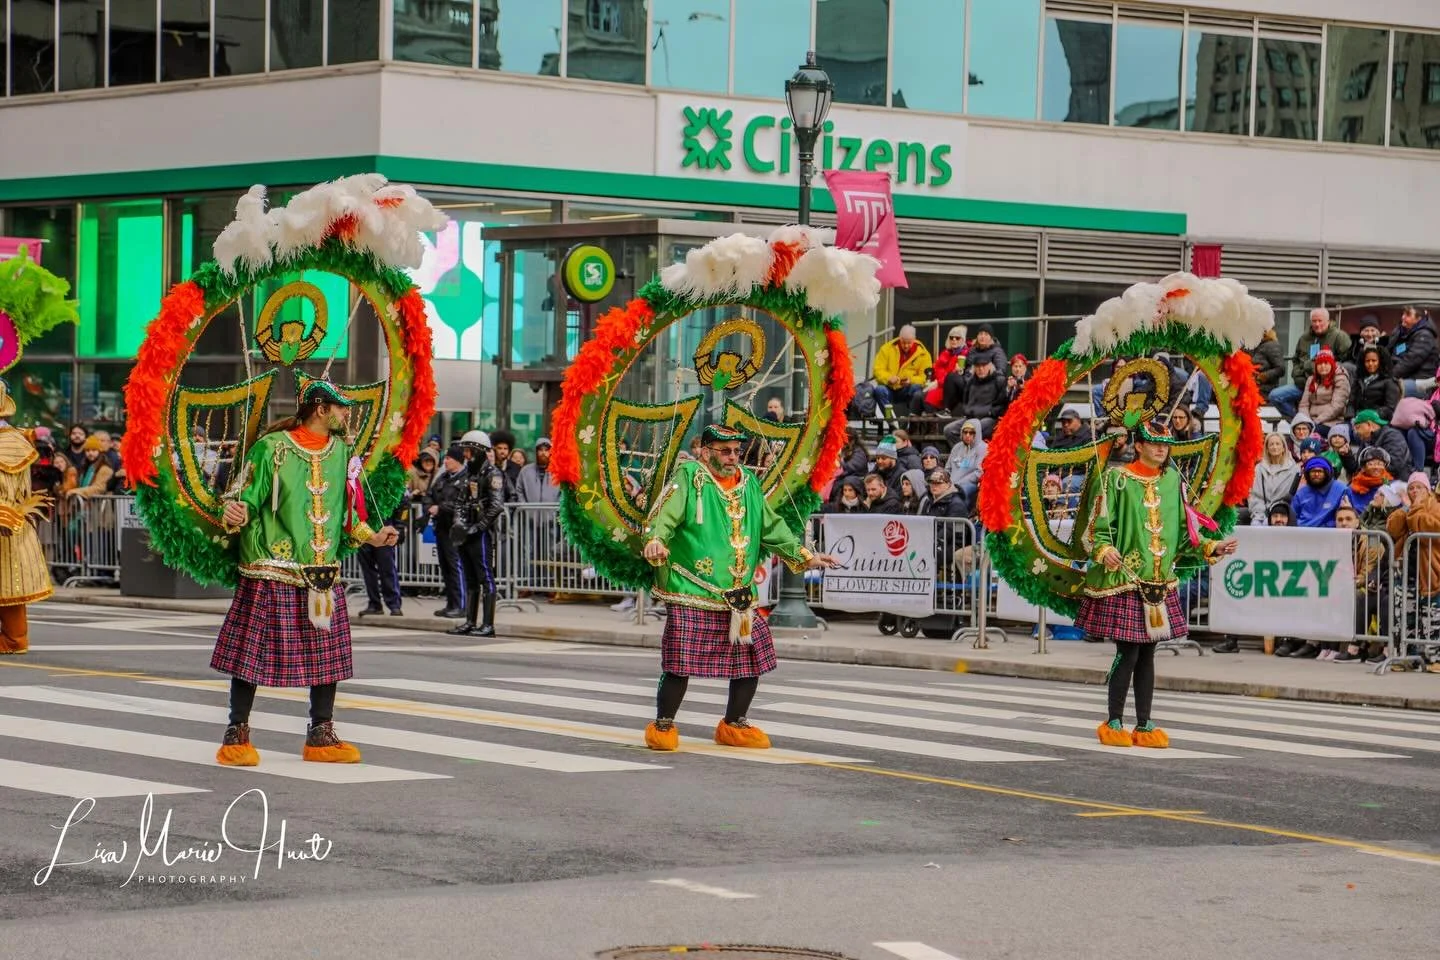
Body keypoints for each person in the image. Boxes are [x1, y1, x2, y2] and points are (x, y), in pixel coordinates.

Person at [213, 379, 400, 767]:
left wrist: (375, 536)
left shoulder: (343, 453)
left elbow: (351, 514)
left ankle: (321, 733)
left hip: (321, 571)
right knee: (253, 652)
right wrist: (234, 511)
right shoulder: (271, 448)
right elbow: (244, 496)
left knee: (326, 657)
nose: (346, 414)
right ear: (320, 409)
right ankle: (237, 731)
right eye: (341, 407)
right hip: (270, 566)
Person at [639, 424, 839, 751]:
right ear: (706, 451)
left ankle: (734, 723)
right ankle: (663, 725)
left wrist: (805, 556)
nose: (733, 457)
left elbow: (771, 525)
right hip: (692, 589)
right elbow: (663, 516)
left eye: (736, 451)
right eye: (725, 451)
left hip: (738, 594)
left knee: (751, 657)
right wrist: (656, 540)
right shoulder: (689, 476)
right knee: (680, 660)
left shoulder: (748, 483)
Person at [1075, 419, 1237, 748]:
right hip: (1125, 579)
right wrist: (1104, 550)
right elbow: (1096, 529)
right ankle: (1114, 719)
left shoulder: (1173, 481)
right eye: (1153, 443)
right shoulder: (1116, 479)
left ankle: (1145, 722)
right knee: (1129, 651)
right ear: (1139, 445)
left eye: (1166, 444)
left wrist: (1211, 546)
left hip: (1159, 582)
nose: (1161, 449)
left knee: (1148, 654)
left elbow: (1183, 533)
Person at [0, 381, 55, 655]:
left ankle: (13, 638)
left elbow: (9, 489)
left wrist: (4, 516)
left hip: (6, 527)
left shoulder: (9, 442)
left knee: (8, 584)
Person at [447, 430, 506, 637]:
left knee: (485, 577)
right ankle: (470, 621)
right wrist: (459, 523)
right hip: (467, 531)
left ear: (479, 451)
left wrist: (478, 527)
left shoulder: (493, 474)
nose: (466, 455)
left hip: (481, 533)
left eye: (469, 450)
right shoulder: (470, 473)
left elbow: (497, 505)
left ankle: (488, 625)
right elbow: (461, 501)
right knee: (470, 578)